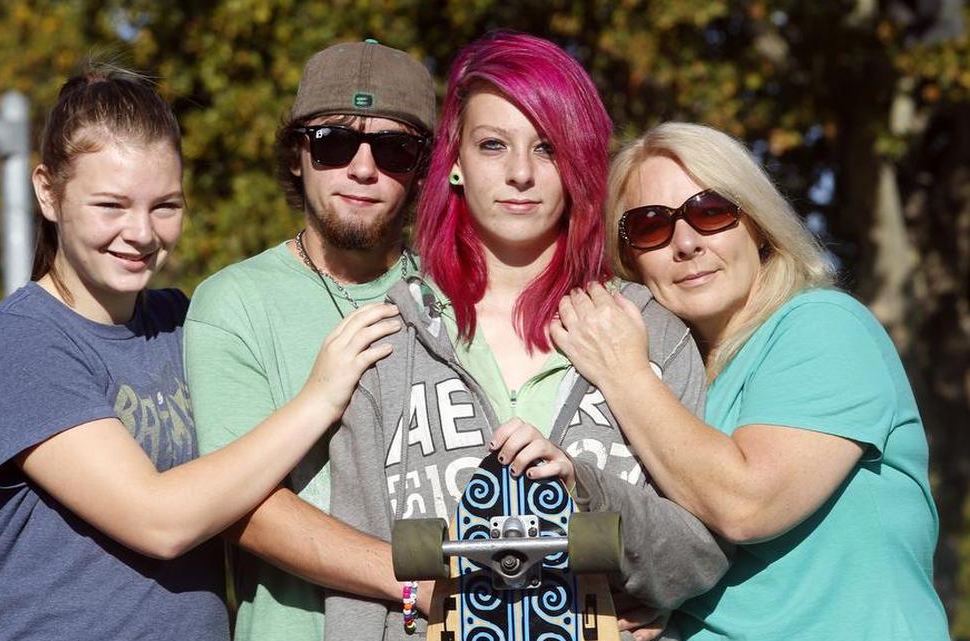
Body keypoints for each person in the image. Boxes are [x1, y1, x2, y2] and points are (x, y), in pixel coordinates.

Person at [0, 64, 400, 640]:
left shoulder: (178, 320)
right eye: (111, 206)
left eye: (165, 206)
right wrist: (320, 397)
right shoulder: (20, 342)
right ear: (48, 192)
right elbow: (159, 520)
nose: (142, 233)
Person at [324, 32, 730, 641]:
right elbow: (357, 591)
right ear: (455, 162)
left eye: (547, 148)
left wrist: (587, 491)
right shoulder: (389, 337)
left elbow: (697, 561)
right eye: (493, 145)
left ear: (579, 165)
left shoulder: (651, 333)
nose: (519, 173)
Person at [551, 121, 949, 640]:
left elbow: (746, 506)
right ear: (630, 257)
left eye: (711, 210)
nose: (686, 243)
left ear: (756, 222)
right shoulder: (672, 375)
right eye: (651, 225)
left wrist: (623, 373)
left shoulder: (825, 327)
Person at [183, 39, 437, 641]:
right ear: (298, 155)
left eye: (395, 148)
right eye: (334, 143)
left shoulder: (458, 293)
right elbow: (241, 510)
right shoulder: (233, 302)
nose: (363, 168)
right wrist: (414, 581)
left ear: (423, 169)